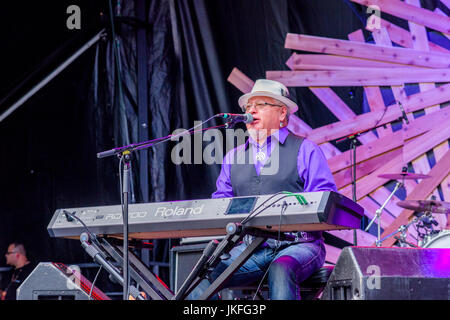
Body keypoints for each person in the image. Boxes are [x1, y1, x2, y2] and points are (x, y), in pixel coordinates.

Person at [189, 79, 337, 300]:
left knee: (282, 268)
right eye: (248, 107)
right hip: (251, 250)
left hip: (301, 245)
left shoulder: (305, 150)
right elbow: (221, 203)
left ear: (281, 113)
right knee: (200, 277)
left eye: (261, 104)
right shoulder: (234, 157)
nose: (251, 111)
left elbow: (325, 199)